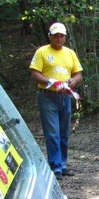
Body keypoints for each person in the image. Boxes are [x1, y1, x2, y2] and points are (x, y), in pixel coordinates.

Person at [28, 21, 83, 178]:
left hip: (65, 96)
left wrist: (74, 81)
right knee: (52, 133)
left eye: (61, 36)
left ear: (65, 37)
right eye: (55, 36)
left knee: (64, 133)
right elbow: (34, 74)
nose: (58, 39)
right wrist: (50, 82)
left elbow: (78, 73)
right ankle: (55, 167)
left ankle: (63, 164)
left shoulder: (70, 53)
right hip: (47, 96)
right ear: (50, 37)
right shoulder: (42, 52)